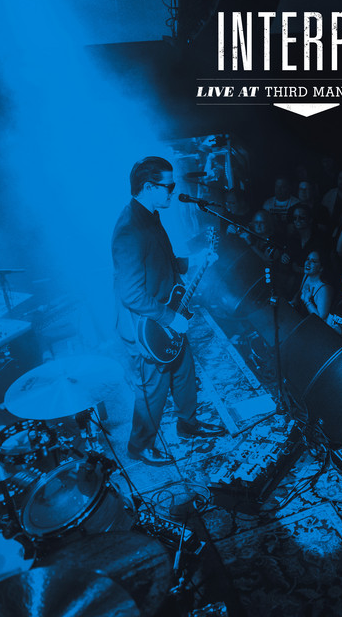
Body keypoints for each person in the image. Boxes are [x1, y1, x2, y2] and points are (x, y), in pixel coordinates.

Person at [111, 156, 223, 467]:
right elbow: (131, 293)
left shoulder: (150, 215)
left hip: (167, 310)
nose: (174, 192)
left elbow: (163, 261)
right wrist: (170, 317)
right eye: (169, 187)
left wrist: (194, 260)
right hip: (146, 323)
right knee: (154, 386)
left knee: (184, 369)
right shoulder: (129, 230)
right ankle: (140, 445)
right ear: (148, 187)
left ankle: (188, 423)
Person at [290, 249, 333, 320]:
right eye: (307, 259)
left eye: (314, 261)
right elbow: (299, 293)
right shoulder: (307, 276)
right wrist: (293, 302)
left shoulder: (325, 289)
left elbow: (320, 319)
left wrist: (307, 301)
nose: (308, 263)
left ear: (321, 268)